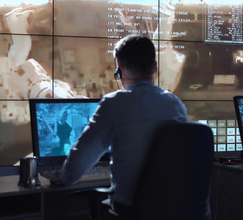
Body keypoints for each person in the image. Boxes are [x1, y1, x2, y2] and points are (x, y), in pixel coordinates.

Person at [57, 35, 189, 218]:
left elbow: (79, 162)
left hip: (132, 211)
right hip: (175, 210)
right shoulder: (176, 104)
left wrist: (62, 178)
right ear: (155, 68)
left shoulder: (115, 103)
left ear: (120, 68)